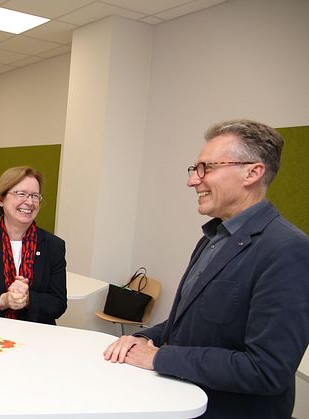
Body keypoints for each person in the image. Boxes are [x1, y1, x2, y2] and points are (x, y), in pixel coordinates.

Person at [103, 119, 309, 418]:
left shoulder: (287, 249)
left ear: (252, 172)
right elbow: (184, 325)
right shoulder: (213, 237)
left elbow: (267, 370)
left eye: (206, 168)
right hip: (182, 401)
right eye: (194, 169)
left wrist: (160, 358)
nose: (193, 181)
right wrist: (144, 338)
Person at [0, 166, 67, 324]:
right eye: (21, 194)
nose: (29, 202)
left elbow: (58, 304)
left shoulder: (53, 245)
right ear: (1, 199)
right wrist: (4, 300)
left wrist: (28, 299)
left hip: (36, 335)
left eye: (35, 196)